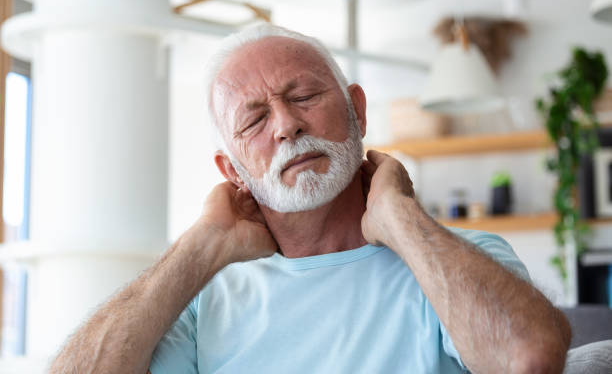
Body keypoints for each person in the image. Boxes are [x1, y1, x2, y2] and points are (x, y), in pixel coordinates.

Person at [49, 24, 571, 374]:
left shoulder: (461, 259)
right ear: (232, 170)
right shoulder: (203, 298)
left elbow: (530, 358)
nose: (287, 125)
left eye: (304, 96)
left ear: (357, 113)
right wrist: (199, 248)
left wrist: (402, 221)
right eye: (254, 119)